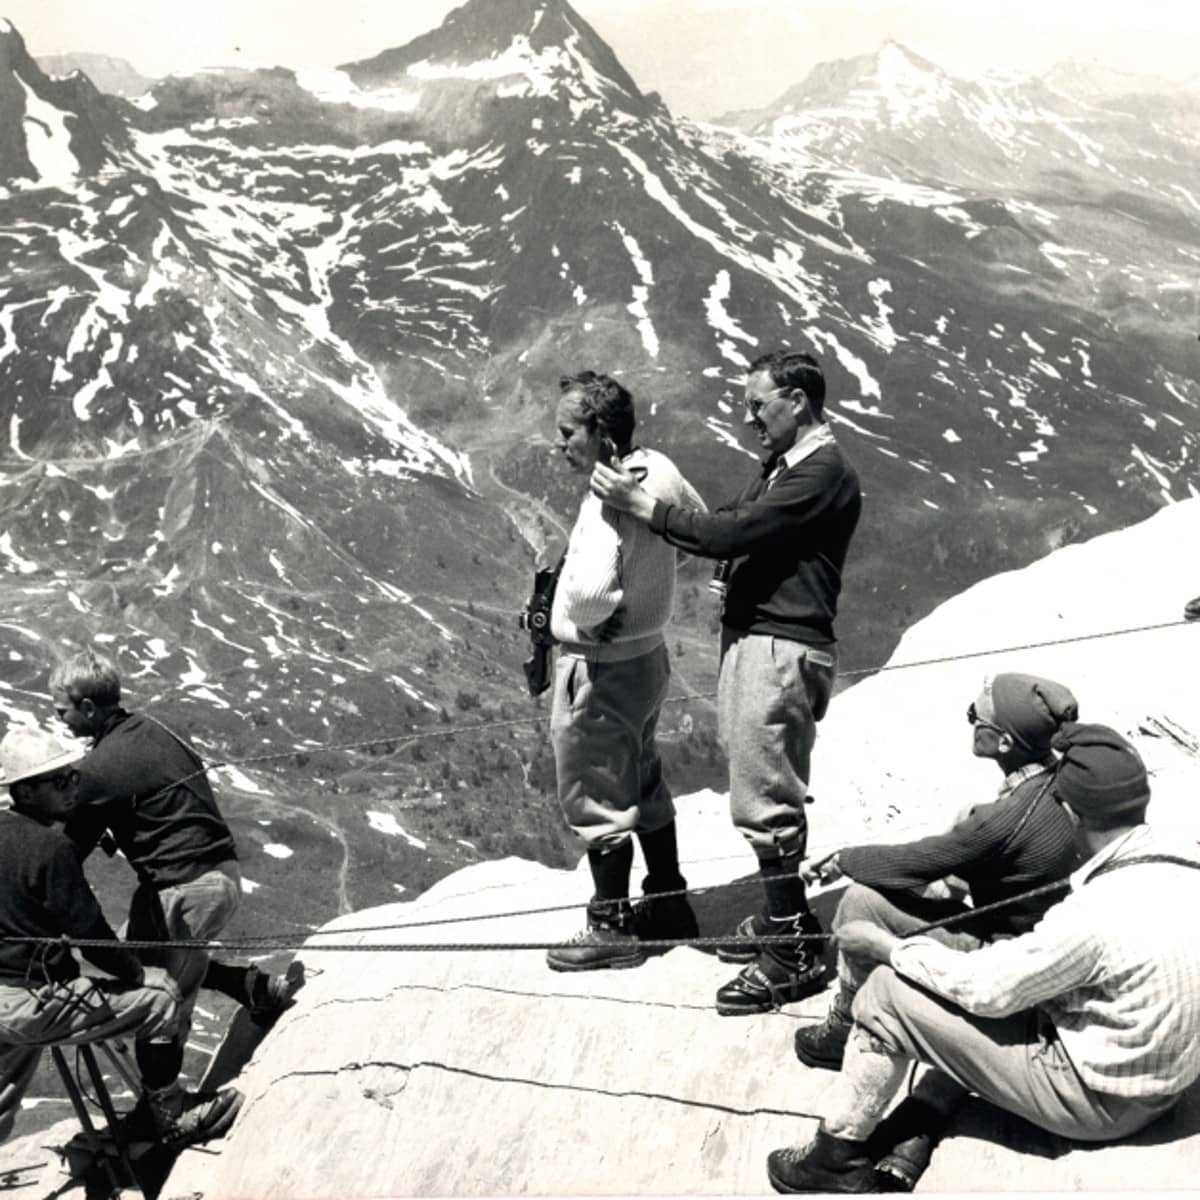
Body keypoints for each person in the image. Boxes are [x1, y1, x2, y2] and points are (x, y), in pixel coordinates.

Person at [766, 723, 1200, 1195]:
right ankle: (859, 1049)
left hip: (1101, 1100)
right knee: (871, 906)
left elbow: (987, 991)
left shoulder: (1095, 914)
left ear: (1073, 812)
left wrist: (887, 949)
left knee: (886, 994)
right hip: (1139, 1063)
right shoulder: (1181, 861)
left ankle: (835, 1158)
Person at [591, 350, 862, 1013]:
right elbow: (744, 529)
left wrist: (643, 505)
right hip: (766, 640)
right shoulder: (787, 466)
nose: (748, 420)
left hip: (779, 647)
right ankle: (779, 922)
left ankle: (793, 949)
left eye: (758, 405)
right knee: (759, 777)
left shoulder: (820, 472)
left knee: (764, 796)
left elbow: (733, 528)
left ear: (797, 401)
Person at [48, 650, 301, 1130]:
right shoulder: (151, 729)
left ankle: (165, 1109)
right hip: (214, 873)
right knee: (148, 961)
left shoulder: (100, 767)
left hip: (183, 887)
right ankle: (253, 987)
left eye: (61, 709)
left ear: (87, 708)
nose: (57, 718)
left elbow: (65, 852)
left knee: (154, 995)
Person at [792, 672, 1082, 1081]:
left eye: (975, 718)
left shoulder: (1004, 820)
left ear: (1003, 744)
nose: (971, 722)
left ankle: (843, 1027)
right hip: (1047, 946)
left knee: (859, 902)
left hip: (1006, 959)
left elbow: (920, 860)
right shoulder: (1067, 781)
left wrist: (843, 859)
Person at [0, 726, 239, 1149]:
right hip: (31, 1003)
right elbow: (89, 932)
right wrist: (137, 973)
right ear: (26, 791)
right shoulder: (48, 848)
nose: (72, 786)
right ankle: (170, 1116)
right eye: (58, 780)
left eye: (71, 775)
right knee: (160, 1001)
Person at [543, 371, 706, 971]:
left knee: (594, 784)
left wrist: (593, 617)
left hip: (602, 666)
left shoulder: (607, 496)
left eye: (568, 433)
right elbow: (695, 519)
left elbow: (587, 592)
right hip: (647, 658)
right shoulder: (656, 468)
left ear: (601, 434)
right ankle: (668, 899)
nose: (560, 445)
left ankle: (609, 926)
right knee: (641, 775)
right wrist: (643, 596)